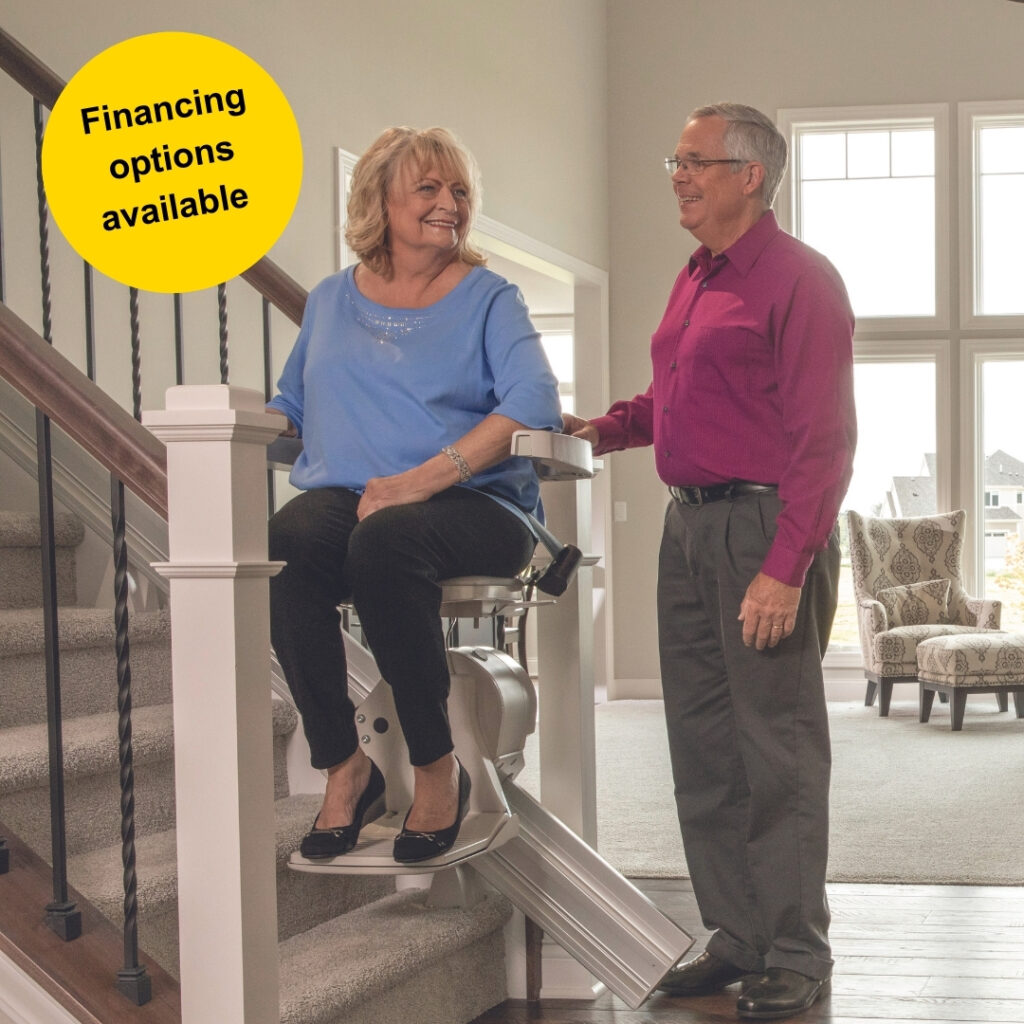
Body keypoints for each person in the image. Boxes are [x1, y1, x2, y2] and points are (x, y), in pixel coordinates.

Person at [563, 103, 855, 1020]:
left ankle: (798, 948)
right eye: (675, 161)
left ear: (750, 174)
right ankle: (737, 934)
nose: (679, 176)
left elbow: (825, 442)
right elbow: (675, 398)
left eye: (694, 162)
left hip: (765, 526)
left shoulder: (800, 281)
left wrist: (785, 564)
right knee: (701, 742)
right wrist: (599, 430)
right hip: (687, 529)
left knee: (778, 747)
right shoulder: (697, 277)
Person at [266, 126, 562, 865]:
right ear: (380, 202)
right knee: (290, 541)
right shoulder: (332, 300)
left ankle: (436, 767)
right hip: (361, 497)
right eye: (427, 188)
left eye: (458, 190)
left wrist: (420, 480)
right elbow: (291, 407)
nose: (448, 204)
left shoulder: (491, 298)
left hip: (480, 505)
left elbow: (533, 403)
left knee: (386, 540)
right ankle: (345, 766)